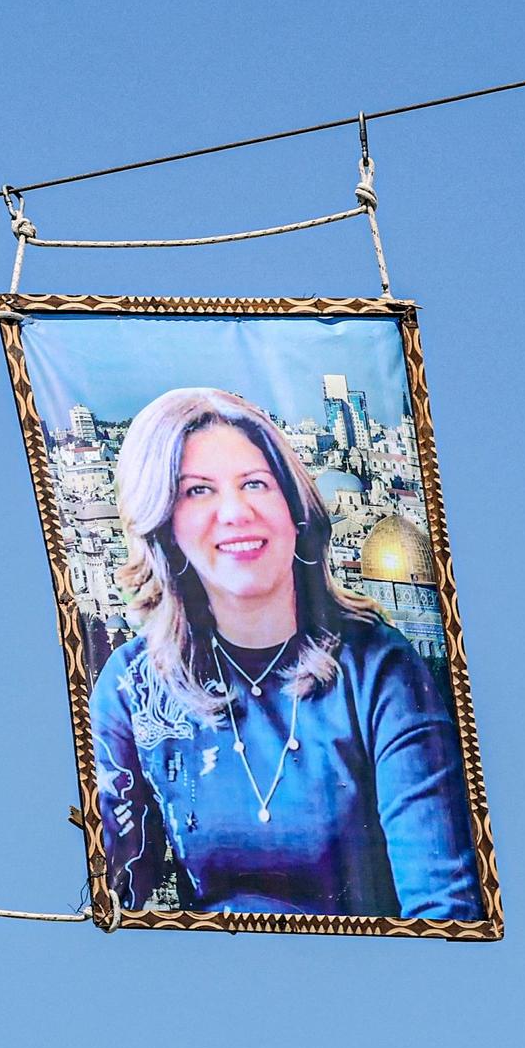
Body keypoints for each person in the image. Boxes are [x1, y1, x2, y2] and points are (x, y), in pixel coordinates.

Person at [89, 387, 481, 920]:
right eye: (197, 491)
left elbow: (443, 904)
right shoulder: (134, 686)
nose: (235, 512)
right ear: (164, 526)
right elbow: (112, 893)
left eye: (255, 484)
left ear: (294, 512)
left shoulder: (379, 673)